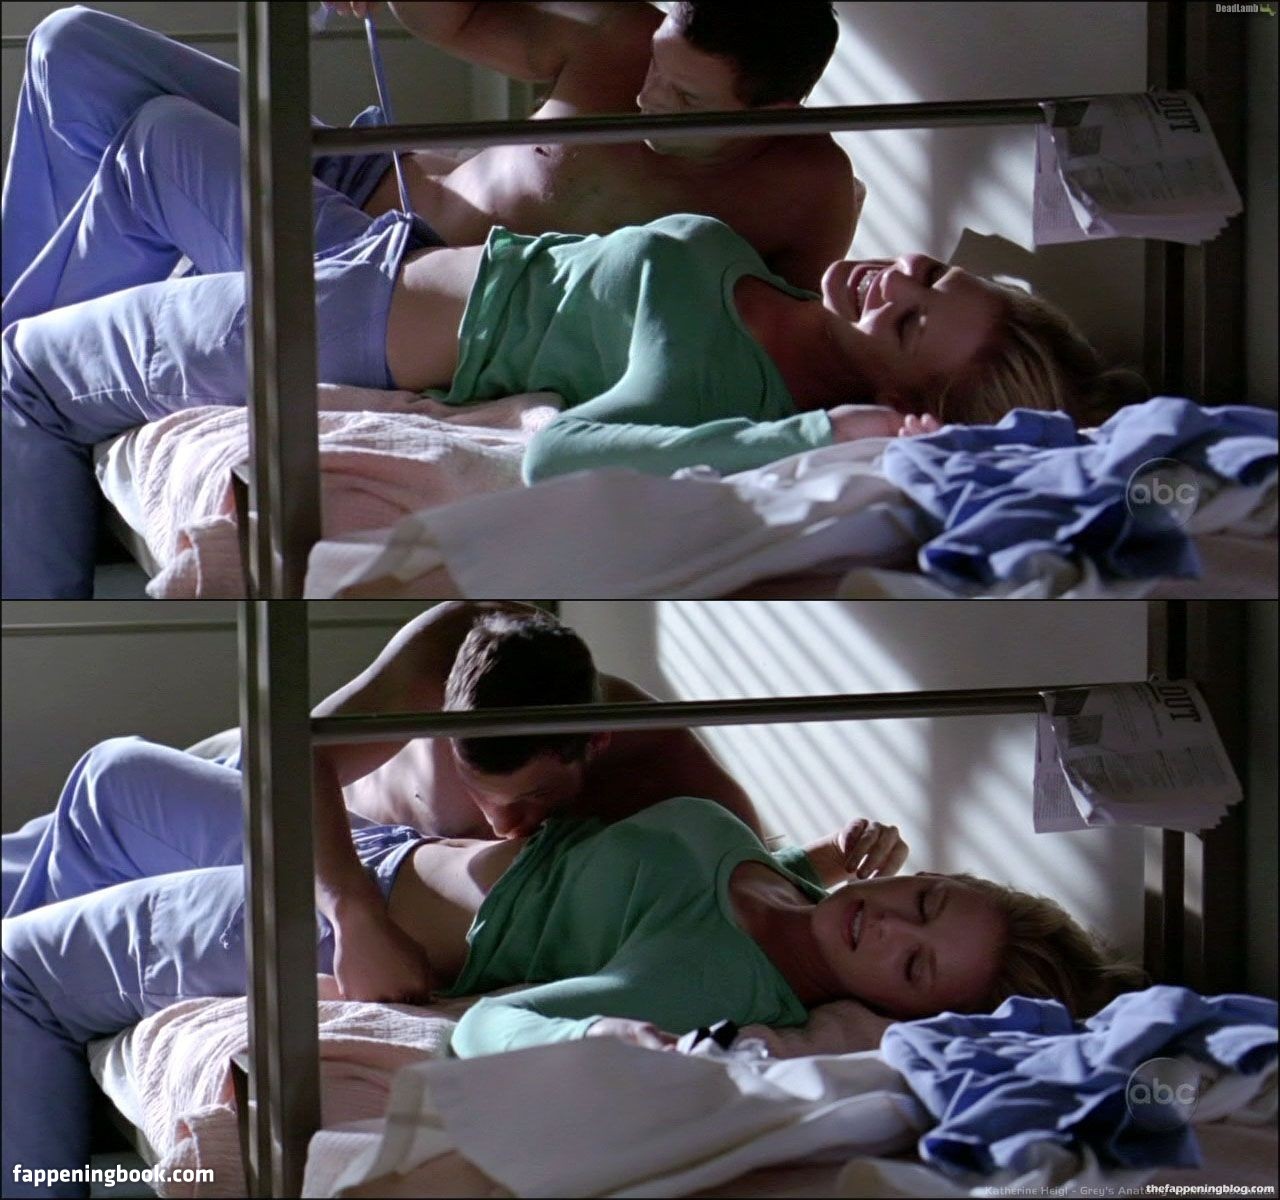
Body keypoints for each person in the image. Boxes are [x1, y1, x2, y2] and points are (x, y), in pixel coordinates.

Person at [1, 108, 1146, 596]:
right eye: (929, 275)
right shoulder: (804, 279)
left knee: (23, 378)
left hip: (356, 324)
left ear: (903, 396)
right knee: (130, 129)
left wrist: (823, 435)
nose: (892, 281)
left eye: (906, 323)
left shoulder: (739, 401)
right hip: (391, 259)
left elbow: (558, 459)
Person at [2, 781, 1142, 1198]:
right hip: (388, 846)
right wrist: (816, 866)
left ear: (897, 1015)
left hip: (345, 913)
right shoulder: (792, 882)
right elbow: (697, 877)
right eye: (925, 900)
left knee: (19, 976)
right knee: (112, 789)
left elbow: (495, 1024)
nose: (886, 922)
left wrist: (599, 1036)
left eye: (908, 962)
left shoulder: (705, 982)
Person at [2, 603, 763, 1005]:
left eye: (534, 798)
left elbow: (754, 870)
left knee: (62, 848)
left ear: (594, 743)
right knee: (92, 806)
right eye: (480, 791)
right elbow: (293, 755)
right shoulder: (450, 650)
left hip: (351, 846)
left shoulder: (655, 756)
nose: (504, 823)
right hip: (277, 795)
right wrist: (354, 913)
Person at [2, 1, 858, 304]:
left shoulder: (807, 188)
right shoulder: (624, 34)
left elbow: (781, 342)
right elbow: (459, 16)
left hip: (385, 267)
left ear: (776, 111)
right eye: (658, 67)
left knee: (165, 138)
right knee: (69, 44)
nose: (646, 94)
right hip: (364, 166)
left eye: (685, 98)